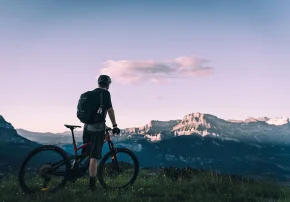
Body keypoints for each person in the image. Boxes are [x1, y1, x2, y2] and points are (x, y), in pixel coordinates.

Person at [82, 75, 120, 191]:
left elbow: (95, 115)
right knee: (94, 157)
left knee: (85, 152)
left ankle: (74, 169)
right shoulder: (105, 94)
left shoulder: (91, 94)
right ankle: (92, 187)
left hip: (87, 127)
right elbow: (110, 110)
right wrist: (114, 126)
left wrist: (105, 126)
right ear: (108, 84)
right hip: (97, 129)